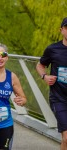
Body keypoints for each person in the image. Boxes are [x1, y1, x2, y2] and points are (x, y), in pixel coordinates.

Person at [36, 17, 67, 150]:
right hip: (59, 99)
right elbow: (40, 65)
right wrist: (44, 76)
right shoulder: (53, 49)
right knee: (66, 137)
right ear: (61, 30)